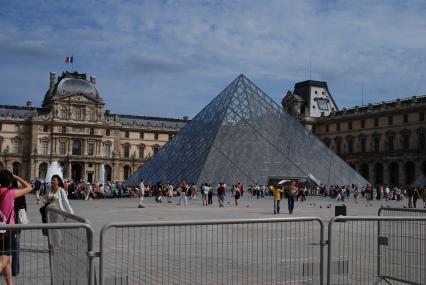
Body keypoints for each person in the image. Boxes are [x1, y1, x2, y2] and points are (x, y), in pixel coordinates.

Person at [0, 170, 32, 284]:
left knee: (8, 261)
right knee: (6, 259)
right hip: (8, 231)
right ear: (10, 183)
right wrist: (17, 177)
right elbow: (29, 187)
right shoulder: (11, 193)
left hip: (0, 230)